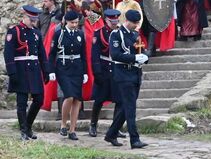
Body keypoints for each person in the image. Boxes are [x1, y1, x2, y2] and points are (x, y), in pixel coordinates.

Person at [4, 5, 54, 141]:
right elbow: (8, 53)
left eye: (35, 20)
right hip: (20, 69)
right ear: (24, 17)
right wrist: (12, 72)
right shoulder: (14, 31)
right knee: (22, 102)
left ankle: (28, 125)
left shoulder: (36, 33)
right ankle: (24, 130)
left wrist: (46, 71)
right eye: (31, 20)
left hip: (34, 69)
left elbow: (42, 54)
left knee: (39, 100)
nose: (33, 23)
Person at [104, 9, 149, 149]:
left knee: (125, 107)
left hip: (136, 74)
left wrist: (145, 57)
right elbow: (115, 54)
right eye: (134, 23)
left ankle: (111, 134)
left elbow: (141, 50)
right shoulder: (116, 34)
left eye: (137, 23)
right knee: (130, 108)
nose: (136, 25)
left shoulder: (135, 34)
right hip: (123, 74)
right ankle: (134, 139)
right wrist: (134, 58)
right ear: (127, 21)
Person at [48, 10, 88, 141]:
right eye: (72, 22)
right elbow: (52, 53)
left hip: (77, 67)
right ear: (66, 21)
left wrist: (85, 72)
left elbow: (83, 55)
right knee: (69, 96)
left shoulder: (80, 34)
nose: (75, 25)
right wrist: (51, 70)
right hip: (63, 68)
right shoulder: (59, 34)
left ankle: (72, 129)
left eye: (76, 22)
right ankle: (63, 124)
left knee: (77, 99)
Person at [89, 9, 123, 138]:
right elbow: (95, 54)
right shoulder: (99, 34)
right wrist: (96, 72)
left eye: (116, 21)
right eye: (111, 21)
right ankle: (93, 124)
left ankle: (116, 127)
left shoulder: (120, 33)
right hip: (103, 68)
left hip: (116, 68)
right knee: (99, 99)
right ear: (106, 20)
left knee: (119, 99)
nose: (114, 24)